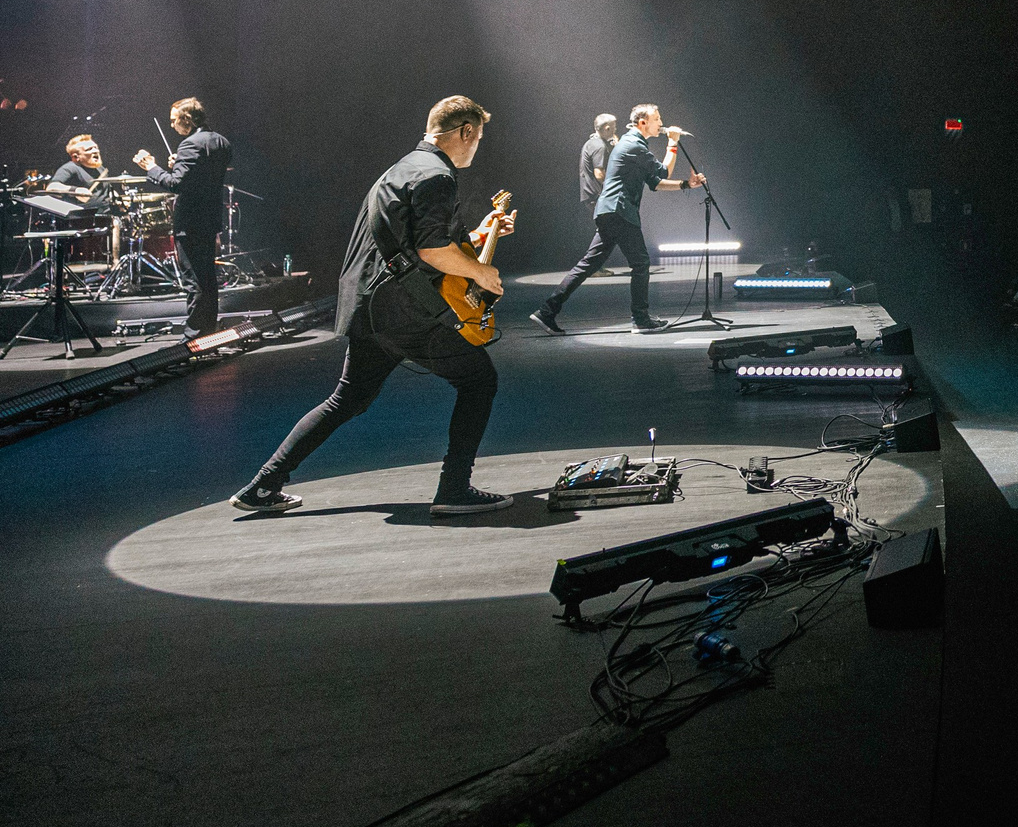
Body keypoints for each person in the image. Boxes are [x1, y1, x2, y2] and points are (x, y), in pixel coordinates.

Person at [229, 96, 515, 516]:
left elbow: (412, 241)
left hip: (369, 306)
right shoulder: (439, 176)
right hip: (402, 310)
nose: (477, 146)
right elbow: (434, 250)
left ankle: (261, 486)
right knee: (478, 381)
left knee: (347, 399)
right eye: (479, 138)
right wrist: (480, 273)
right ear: (466, 132)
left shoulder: (403, 169)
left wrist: (480, 232)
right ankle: (454, 490)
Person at [533, 104, 701, 333]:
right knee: (640, 263)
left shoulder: (635, 145)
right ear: (643, 122)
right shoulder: (633, 145)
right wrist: (672, 143)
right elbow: (663, 171)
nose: (661, 124)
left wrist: (685, 184)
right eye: (657, 119)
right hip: (620, 211)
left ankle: (546, 311)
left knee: (588, 264)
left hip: (610, 211)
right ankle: (640, 320)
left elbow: (654, 183)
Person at [131, 96, 232, 335]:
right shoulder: (221, 141)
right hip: (210, 217)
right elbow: (204, 175)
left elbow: (177, 184)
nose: (172, 125)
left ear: (186, 119)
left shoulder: (189, 144)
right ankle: (208, 329)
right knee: (207, 277)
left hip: (191, 220)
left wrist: (151, 168)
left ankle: (195, 333)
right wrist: (181, 163)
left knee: (194, 279)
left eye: (174, 120)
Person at [578, 112, 617, 207]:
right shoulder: (599, 146)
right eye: (614, 127)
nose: (615, 130)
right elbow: (599, 173)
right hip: (597, 197)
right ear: (607, 128)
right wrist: (611, 190)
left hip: (591, 197)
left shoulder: (592, 143)